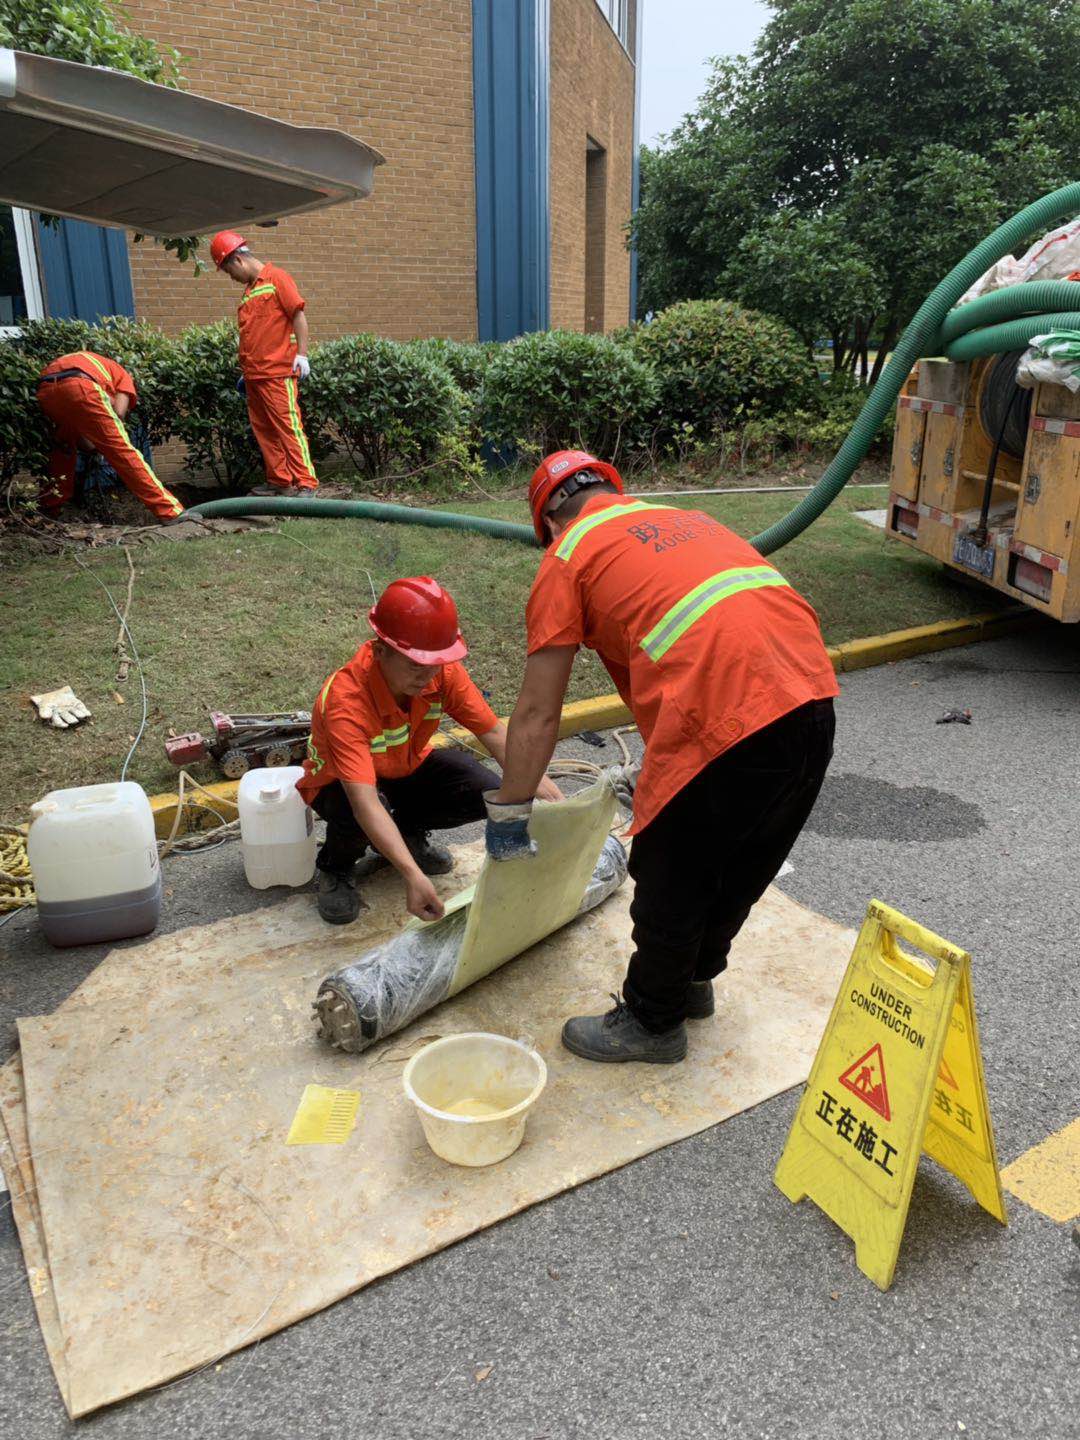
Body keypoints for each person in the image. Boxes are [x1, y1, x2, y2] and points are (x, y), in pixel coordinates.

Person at [484, 450, 838, 1065]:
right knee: (741, 858)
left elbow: (539, 713)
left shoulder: (567, 557)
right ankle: (690, 979)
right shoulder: (689, 520)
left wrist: (510, 815)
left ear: (548, 523)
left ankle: (652, 1020)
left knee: (669, 867)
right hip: (812, 698)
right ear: (612, 492)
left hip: (725, 716)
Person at [297, 575, 563, 926]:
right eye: (414, 665)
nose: (427, 676)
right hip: (344, 788)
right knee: (355, 812)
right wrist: (412, 877)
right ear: (380, 652)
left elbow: (496, 735)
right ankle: (336, 866)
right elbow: (365, 802)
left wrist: (555, 805)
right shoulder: (347, 700)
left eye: (435, 663)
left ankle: (405, 838)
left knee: (485, 788)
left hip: (403, 771)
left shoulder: (441, 672)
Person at [210, 230, 318, 495]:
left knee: (288, 427)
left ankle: (306, 483)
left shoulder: (277, 278)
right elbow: (253, 334)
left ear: (237, 260)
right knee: (264, 431)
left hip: (277, 373)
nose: (231, 278)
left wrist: (302, 354)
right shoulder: (249, 293)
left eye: (228, 272)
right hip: (254, 376)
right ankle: (280, 481)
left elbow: (298, 315)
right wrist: (246, 371)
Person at [35, 351, 184, 522]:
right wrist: (107, 442)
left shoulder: (92, 364)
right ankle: (171, 512)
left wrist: (96, 446)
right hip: (81, 386)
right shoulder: (123, 375)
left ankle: (48, 511)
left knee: (63, 454)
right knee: (123, 452)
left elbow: (86, 445)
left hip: (46, 392)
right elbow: (119, 413)